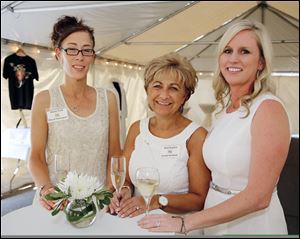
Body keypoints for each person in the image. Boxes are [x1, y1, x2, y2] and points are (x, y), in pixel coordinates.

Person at [138, 20, 291, 235]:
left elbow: (259, 197)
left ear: (261, 63)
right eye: (227, 50)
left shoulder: (268, 108)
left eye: (244, 51)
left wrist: (185, 223)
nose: (233, 58)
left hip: (251, 226)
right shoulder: (225, 109)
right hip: (213, 223)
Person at [28, 15, 121, 210]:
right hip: (57, 201)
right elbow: (36, 156)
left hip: (98, 201)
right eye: (71, 49)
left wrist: (109, 192)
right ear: (58, 53)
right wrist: (47, 190)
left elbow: (114, 154)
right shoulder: (44, 100)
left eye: (86, 50)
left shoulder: (109, 99)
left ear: (93, 56)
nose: (79, 57)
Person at [108, 52, 211, 224]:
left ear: (185, 95)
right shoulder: (136, 129)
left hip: (177, 226)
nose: (164, 95)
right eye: (157, 86)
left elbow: (199, 199)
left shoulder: (196, 136)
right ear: (147, 90)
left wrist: (156, 201)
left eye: (173, 88)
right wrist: (124, 190)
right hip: (135, 222)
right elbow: (126, 179)